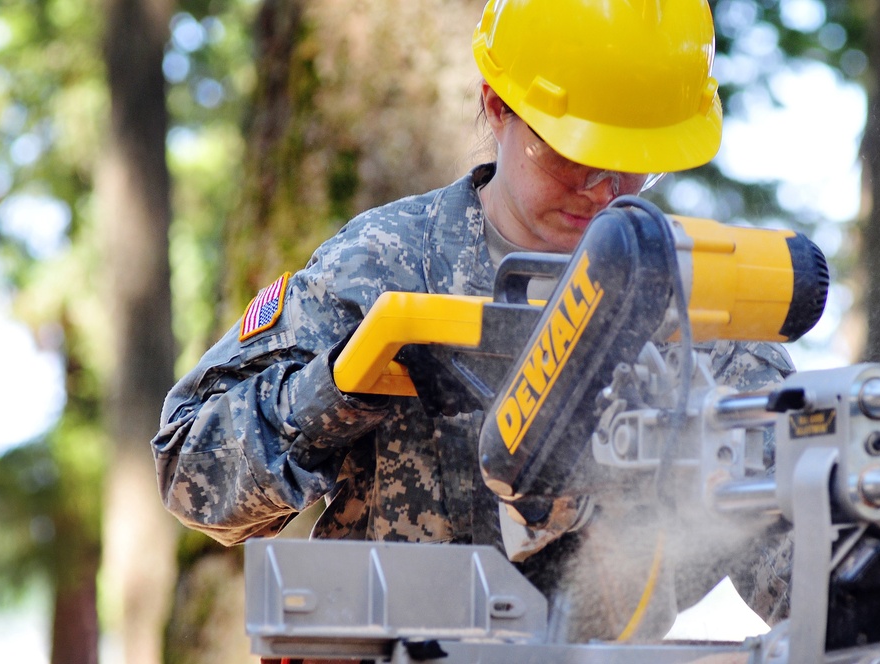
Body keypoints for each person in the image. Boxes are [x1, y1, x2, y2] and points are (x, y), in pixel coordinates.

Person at [151, 0, 795, 643]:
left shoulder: (697, 296)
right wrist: (340, 386)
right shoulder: (385, 263)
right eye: (575, 152)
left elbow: (784, 534)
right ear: (496, 105)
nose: (606, 189)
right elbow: (189, 476)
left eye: (635, 161)